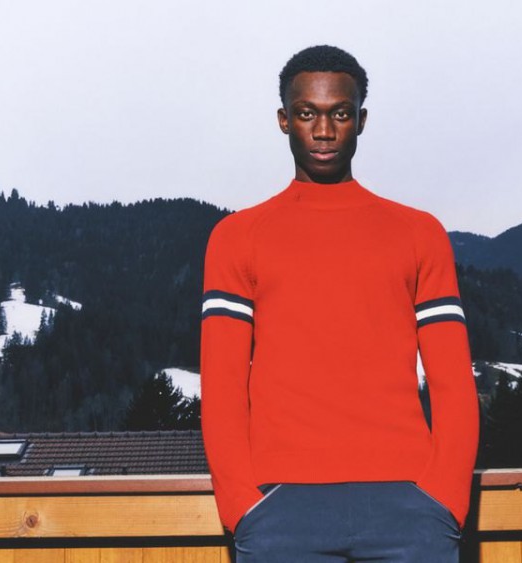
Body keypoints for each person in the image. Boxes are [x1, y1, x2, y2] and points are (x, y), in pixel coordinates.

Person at [200, 44, 479, 563]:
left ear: (361, 121)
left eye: (340, 114)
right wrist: (242, 505)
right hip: (279, 510)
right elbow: (221, 387)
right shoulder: (236, 237)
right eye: (307, 113)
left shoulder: (419, 233)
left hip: (410, 507)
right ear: (284, 120)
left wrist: (445, 499)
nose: (324, 131)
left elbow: (453, 381)